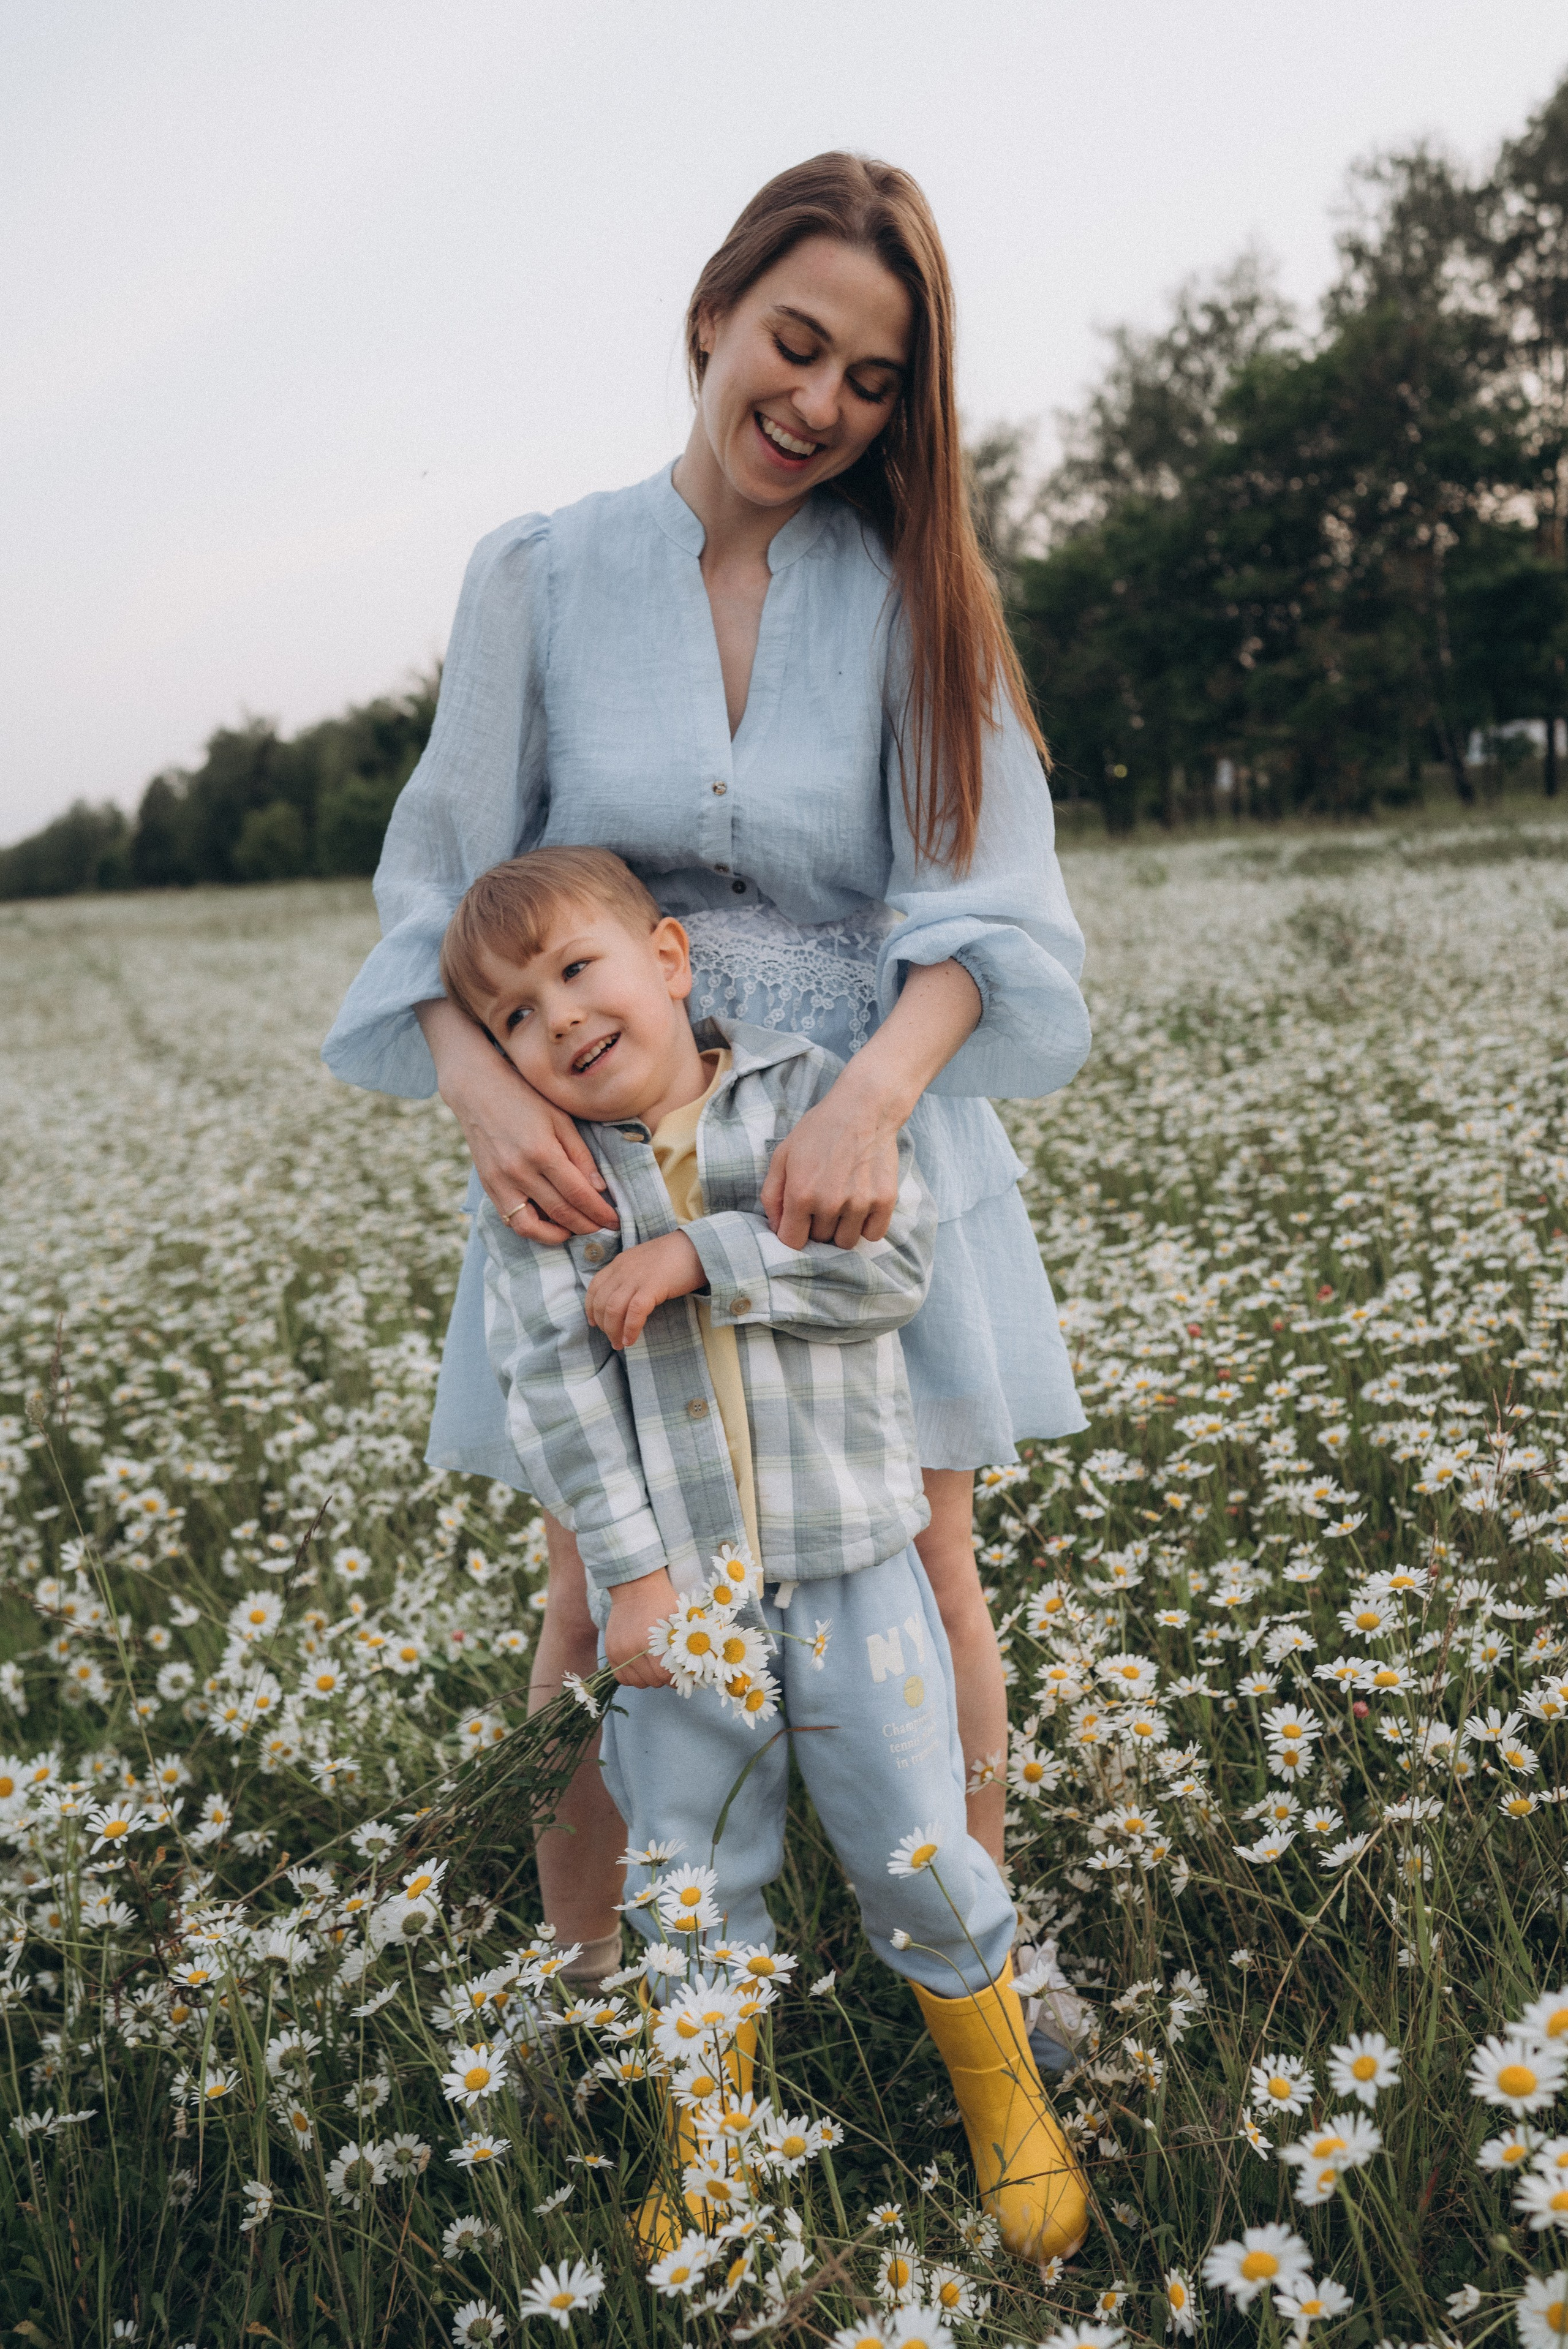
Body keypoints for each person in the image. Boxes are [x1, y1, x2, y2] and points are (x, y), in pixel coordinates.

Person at [322, 150, 1091, 1988]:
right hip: (613, 1144)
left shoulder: (921, 594)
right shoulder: (540, 572)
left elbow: (989, 909)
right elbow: (436, 884)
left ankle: (983, 1964)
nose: (821, 404)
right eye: (797, 342)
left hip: (859, 1122)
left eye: (875, 380)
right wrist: (482, 1086)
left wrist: (873, 1100)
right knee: (605, 1577)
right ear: (714, 315)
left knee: (924, 1547)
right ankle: (593, 1972)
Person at [435, 842, 1087, 2264]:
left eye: (573, 971)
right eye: (512, 1019)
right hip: (676, 1593)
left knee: (912, 1845)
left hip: (851, 1564)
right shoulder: (546, 1189)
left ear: (667, 958)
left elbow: (888, 1266)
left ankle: (1002, 2099)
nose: (555, 1019)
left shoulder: (802, 1098)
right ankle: (711, 2146)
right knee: (689, 1873)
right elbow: (554, 1400)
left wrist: (702, 1257)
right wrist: (632, 1576)